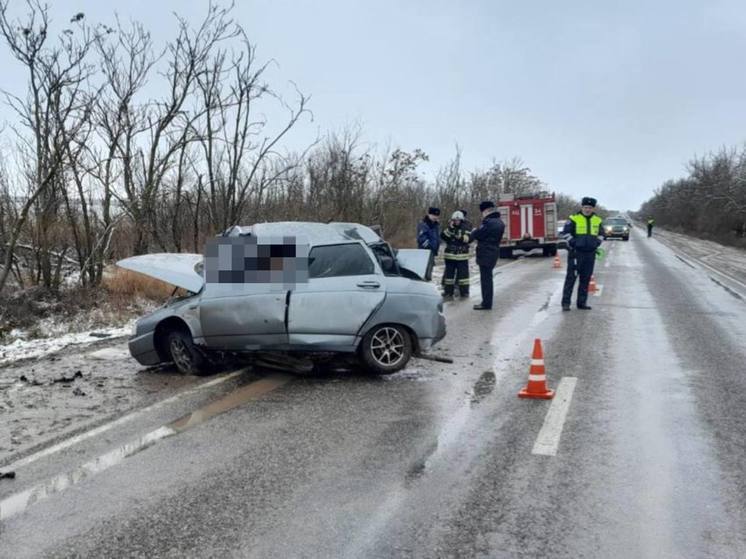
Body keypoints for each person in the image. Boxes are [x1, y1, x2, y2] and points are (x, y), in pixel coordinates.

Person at [561, 197, 604, 311]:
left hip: (590, 253)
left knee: (585, 279)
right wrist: (574, 243)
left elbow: (601, 234)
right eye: (585, 207)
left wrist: (597, 243)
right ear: (582, 207)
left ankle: (581, 303)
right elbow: (565, 233)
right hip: (576, 253)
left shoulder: (597, 220)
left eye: (590, 207)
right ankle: (566, 303)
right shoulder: (573, 219)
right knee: (571, 279)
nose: (587, 209)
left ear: (593, 208)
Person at [470, 201, 505, 310]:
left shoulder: (488, 223)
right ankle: (487, 301)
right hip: (493, 251)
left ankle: (486, 303)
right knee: (488, 278)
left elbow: (478, 234)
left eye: (482, 212)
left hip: (486, 252)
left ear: (485, 211)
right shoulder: (499, 222)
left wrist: (474, 231)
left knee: (486, 279)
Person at [440, 211, 471, 300]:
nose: (456, 221)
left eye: (458, 220)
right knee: (449, 276)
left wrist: (459, 236)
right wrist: (450, 229)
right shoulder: (449, 228)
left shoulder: (466, 227)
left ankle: (464, 292)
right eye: (455, 220)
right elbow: (443, 236)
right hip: (450, 256)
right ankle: (448, 292)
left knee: (463, 277)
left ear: (461, 220)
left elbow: (468, 239)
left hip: (462, 256)